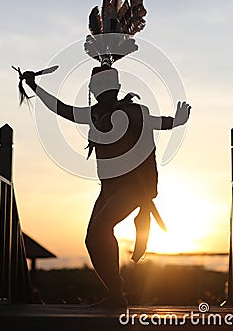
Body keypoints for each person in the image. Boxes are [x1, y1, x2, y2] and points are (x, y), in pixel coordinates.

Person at [23, 66, 191, 307]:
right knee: (93, 238)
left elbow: (160, 122)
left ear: (102, 88)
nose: (94, 89)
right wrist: (34, 87)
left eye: (96, 86)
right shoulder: (95, 114)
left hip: (134, 187)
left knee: (100, 230)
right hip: (110, 188)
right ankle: (115, 293)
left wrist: (177, 121)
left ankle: (116, 293)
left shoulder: (134, 112)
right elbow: (62, 109)